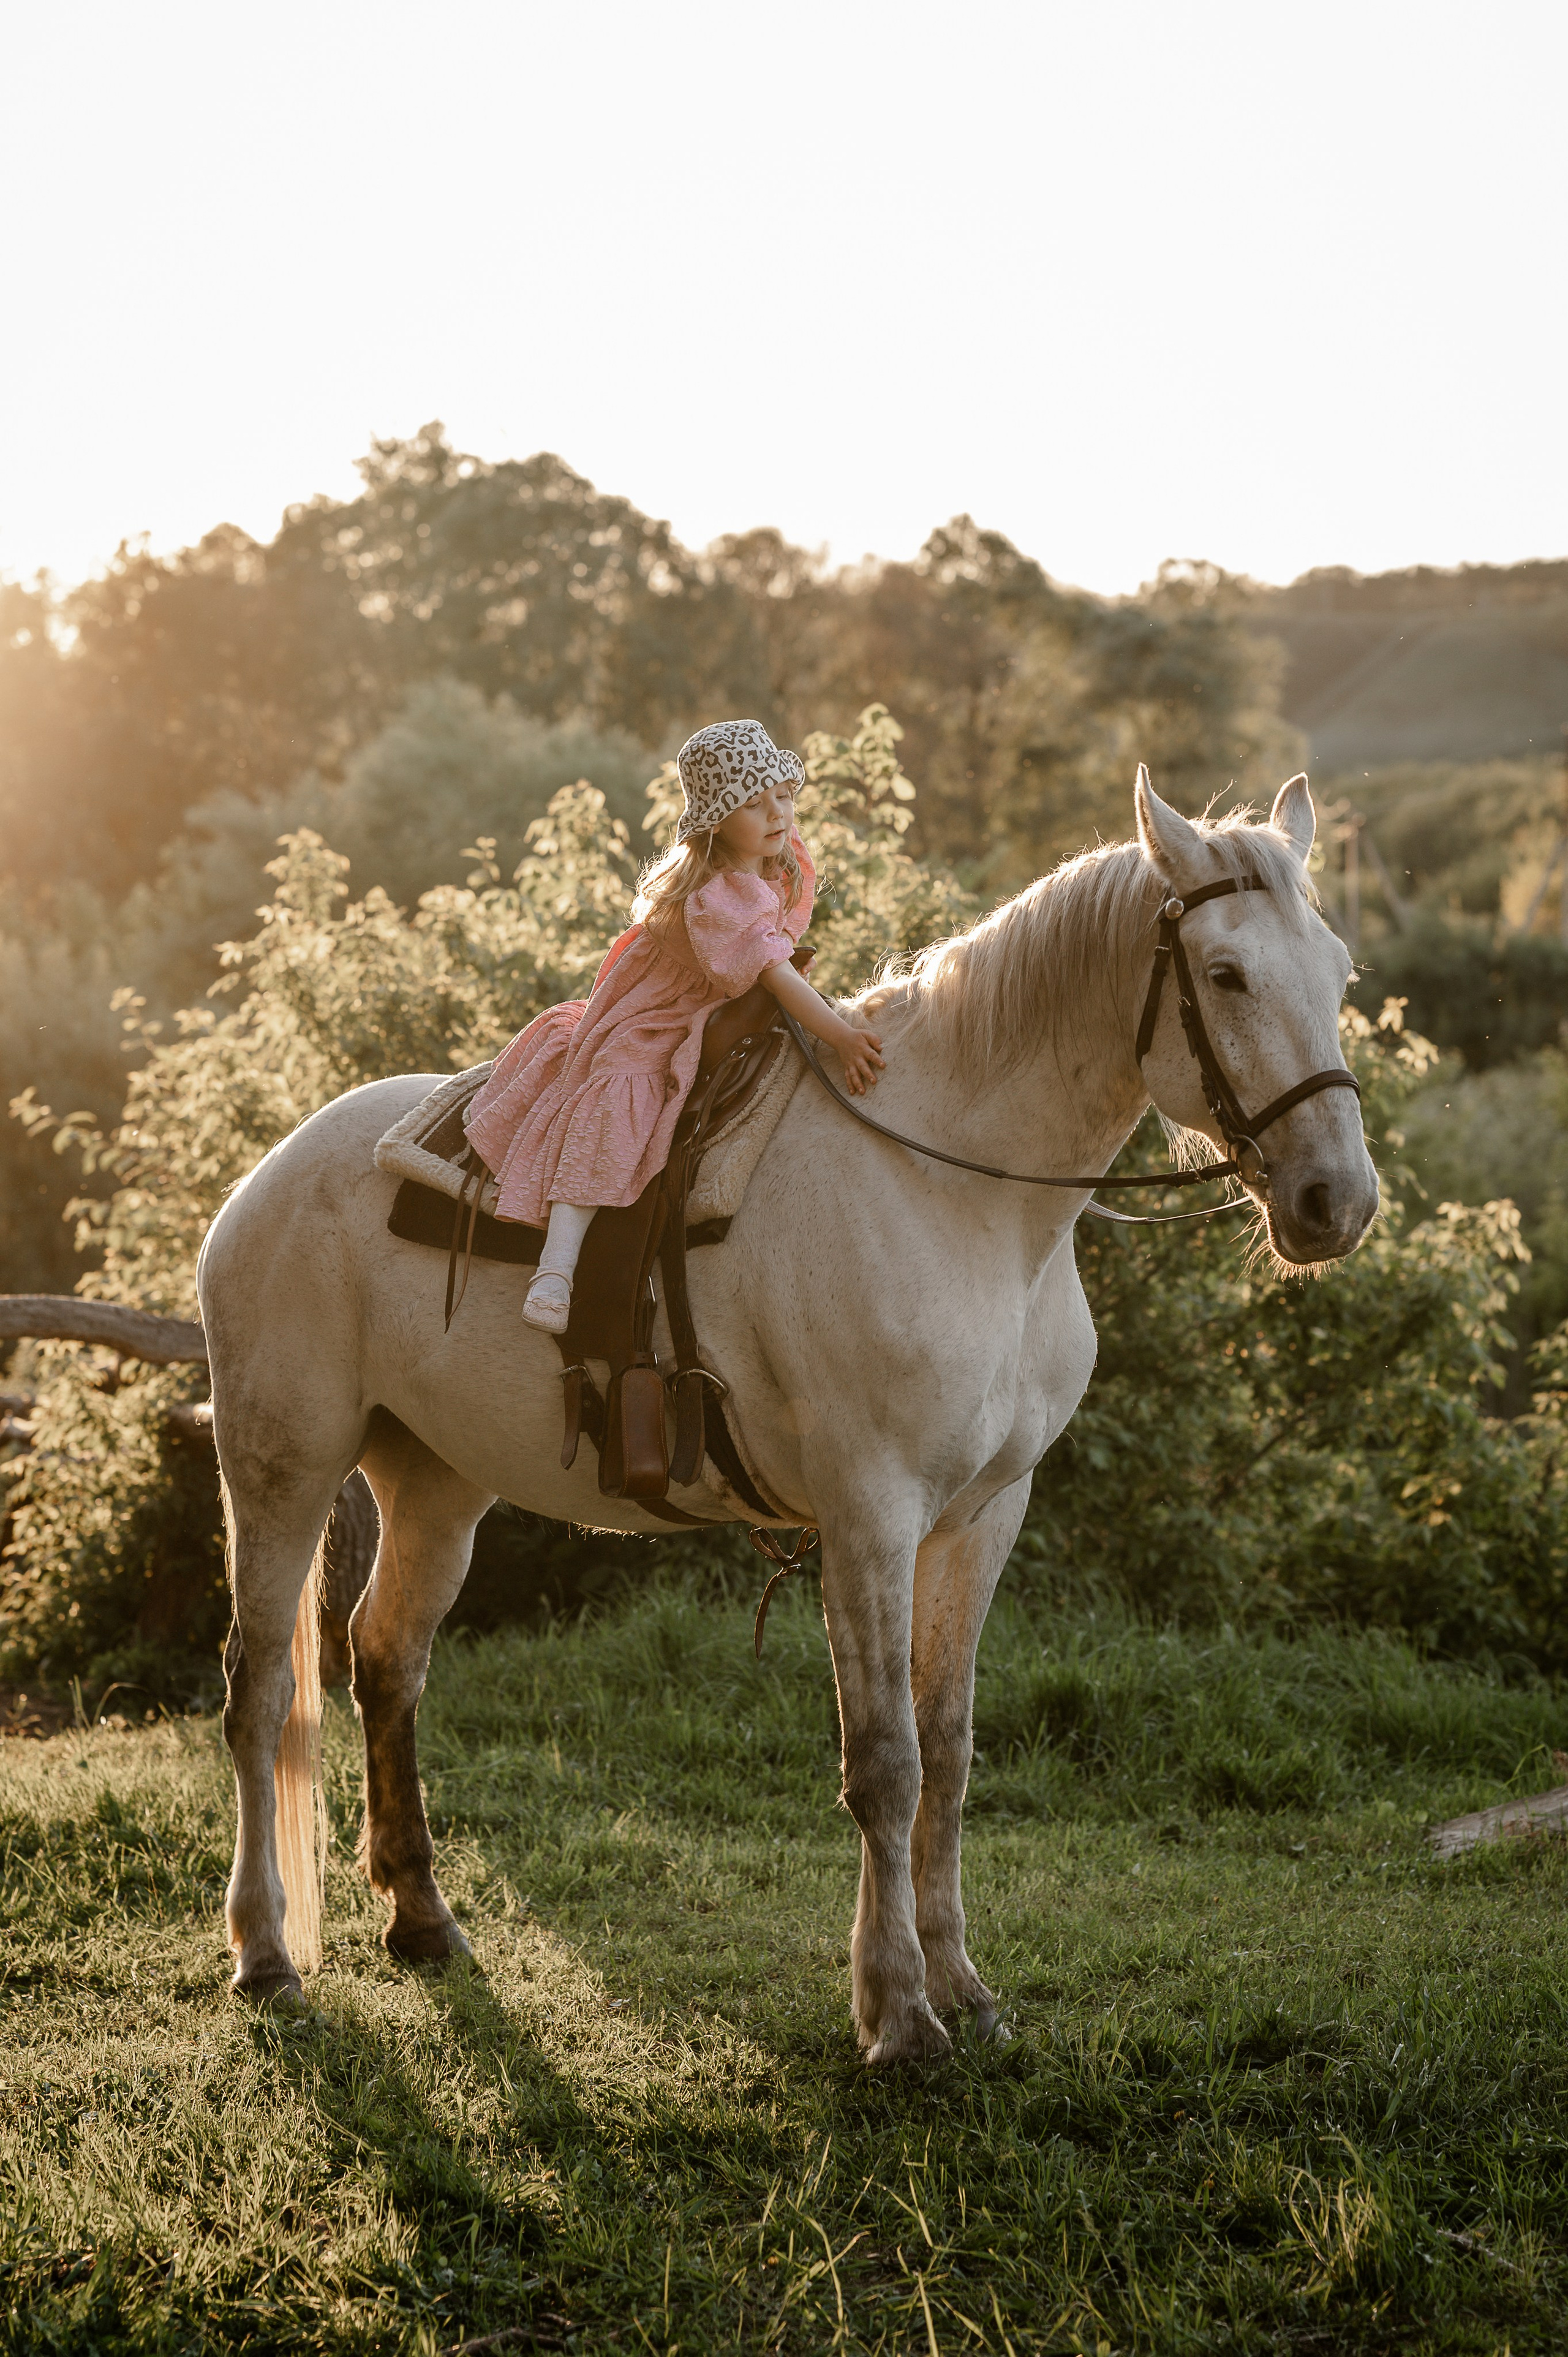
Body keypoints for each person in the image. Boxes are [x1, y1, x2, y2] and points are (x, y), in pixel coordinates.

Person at [464, 718, 885, 1333]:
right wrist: (840, 1033)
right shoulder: (715, 896)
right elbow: (777, 972)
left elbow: (775, 940)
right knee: (617, 1102)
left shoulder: (776, 857)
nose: (777, 813)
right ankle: (555, 1270)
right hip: (653, 1015)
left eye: (783, 795)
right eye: (752, 802)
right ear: (716, 820)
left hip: (709, 1006)